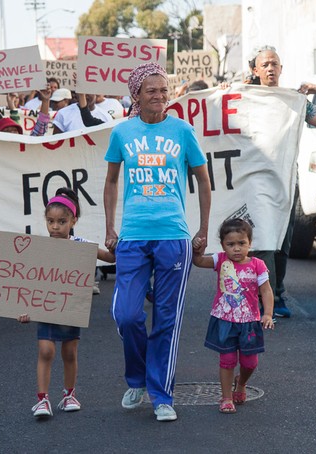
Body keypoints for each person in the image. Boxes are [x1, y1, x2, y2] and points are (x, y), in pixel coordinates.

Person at [103, 62, 212, 422]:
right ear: (136, 95)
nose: (160, 96)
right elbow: (111, 181)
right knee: (127, 314)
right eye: (151, 90)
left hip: (174, 236)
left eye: (164, 90)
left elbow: (203, 180)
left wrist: (203, 229)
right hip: (133, 236)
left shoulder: (182, 131)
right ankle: (136, 379)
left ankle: (162, 395)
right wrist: (109, 227)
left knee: (167, 318)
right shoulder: (122, 133)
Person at [249, 46, 316, 319]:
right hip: (254, 181)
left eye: (275, 63)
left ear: (281, 69)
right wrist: (225, 89)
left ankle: (278, 291)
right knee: (261, 240)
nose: (271, 68)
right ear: (256, 70)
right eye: (265, 64)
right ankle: (264, 295)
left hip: (285, 181)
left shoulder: (294, 101)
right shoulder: (245, 97)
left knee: (283, 242)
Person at [17, 188, 116, 418]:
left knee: (70, 352)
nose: (55, 227)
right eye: (50, 221)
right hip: (45, 308)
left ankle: (69, 395)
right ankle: (42, 400)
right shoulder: (39, 248)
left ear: (73, 221)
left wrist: (115, 245)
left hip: (69, 309)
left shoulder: (81, 245)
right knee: (46, 350)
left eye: (61, 221)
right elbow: (27, 280)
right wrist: (22, 307)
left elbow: (111, 258)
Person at [192, 218, 275, 414]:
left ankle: (241, 383)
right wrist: (197, 249)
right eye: (230, 244)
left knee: (250, 362)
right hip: (224, 321)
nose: (236, 249)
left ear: (249, 243)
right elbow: (198, 261)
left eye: (241, 243)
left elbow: (266, 291)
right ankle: (226, 397)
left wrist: (268, 314)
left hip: (250, 322)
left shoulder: (258, 265)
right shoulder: (220, 260)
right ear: (222, 245)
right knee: (227, 360)